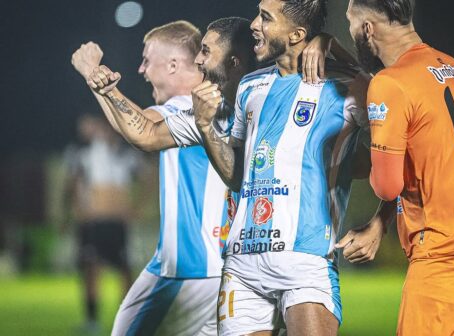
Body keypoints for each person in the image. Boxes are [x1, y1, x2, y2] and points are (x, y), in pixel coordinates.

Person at [193, 1, 394, 335]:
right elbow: (238, 177)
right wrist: (205, 127)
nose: (254, 24)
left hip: (306, 260)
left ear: (298, 34)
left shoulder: (347, 87)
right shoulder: (250, 87)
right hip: (243, 264)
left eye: (266, 18)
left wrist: (379, 224)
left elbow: (396, 148)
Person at [71, 19, 256, 335]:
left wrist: (93, 73)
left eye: (147, 60)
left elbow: (142, 130)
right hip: (191, 267)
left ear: (173, 65)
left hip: (192, 269)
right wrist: (96, 82)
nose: (141, 70)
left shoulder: (188, 107)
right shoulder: (220, 105)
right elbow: (137, 128)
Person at [345, 0, 454, 335]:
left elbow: (386, 185)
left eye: (350, 22)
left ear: (367, 29)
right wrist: (380, 222)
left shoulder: (389, 84)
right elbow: (422, 165)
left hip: (445, 258)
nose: (349, 31)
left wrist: (371, 119)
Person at [62, 113, 139, 334]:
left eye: (89, 123)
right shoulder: (81, 152)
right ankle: (92, 319)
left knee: (124, 269)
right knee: (91, 268)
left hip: (117, 222)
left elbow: (146, 176)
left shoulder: (124, 151)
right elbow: (74, 183)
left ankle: (128, 317)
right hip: (93, 221)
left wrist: (136, 207)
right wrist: (77, 210)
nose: (85, 128)